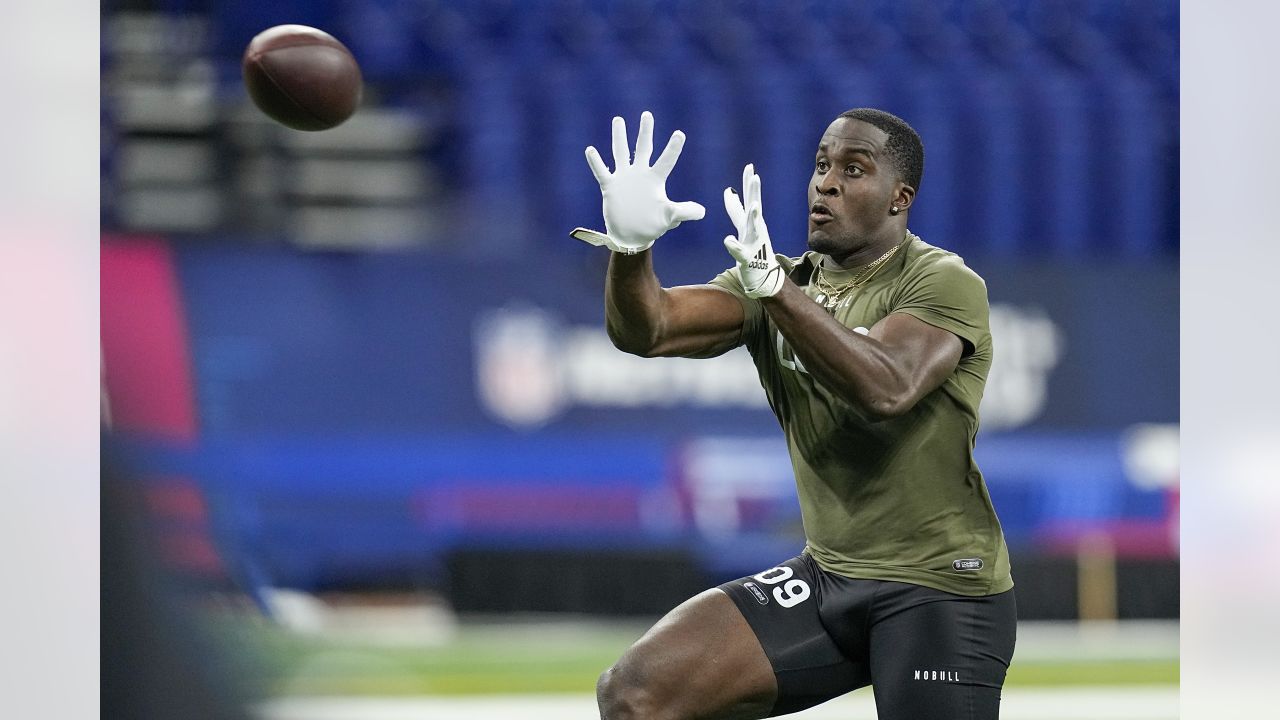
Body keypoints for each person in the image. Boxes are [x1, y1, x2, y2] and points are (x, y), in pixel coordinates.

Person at [574, 109, 1016, 720]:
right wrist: (630, 249)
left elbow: (887, 387)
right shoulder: (774, 281)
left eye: (853, 169)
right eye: (821, 166)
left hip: (938, 586)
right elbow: (648, 329)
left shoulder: (942, 281)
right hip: (829, 575)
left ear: (899, 198)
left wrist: (775, 293)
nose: (826, 184)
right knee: (637, 694)